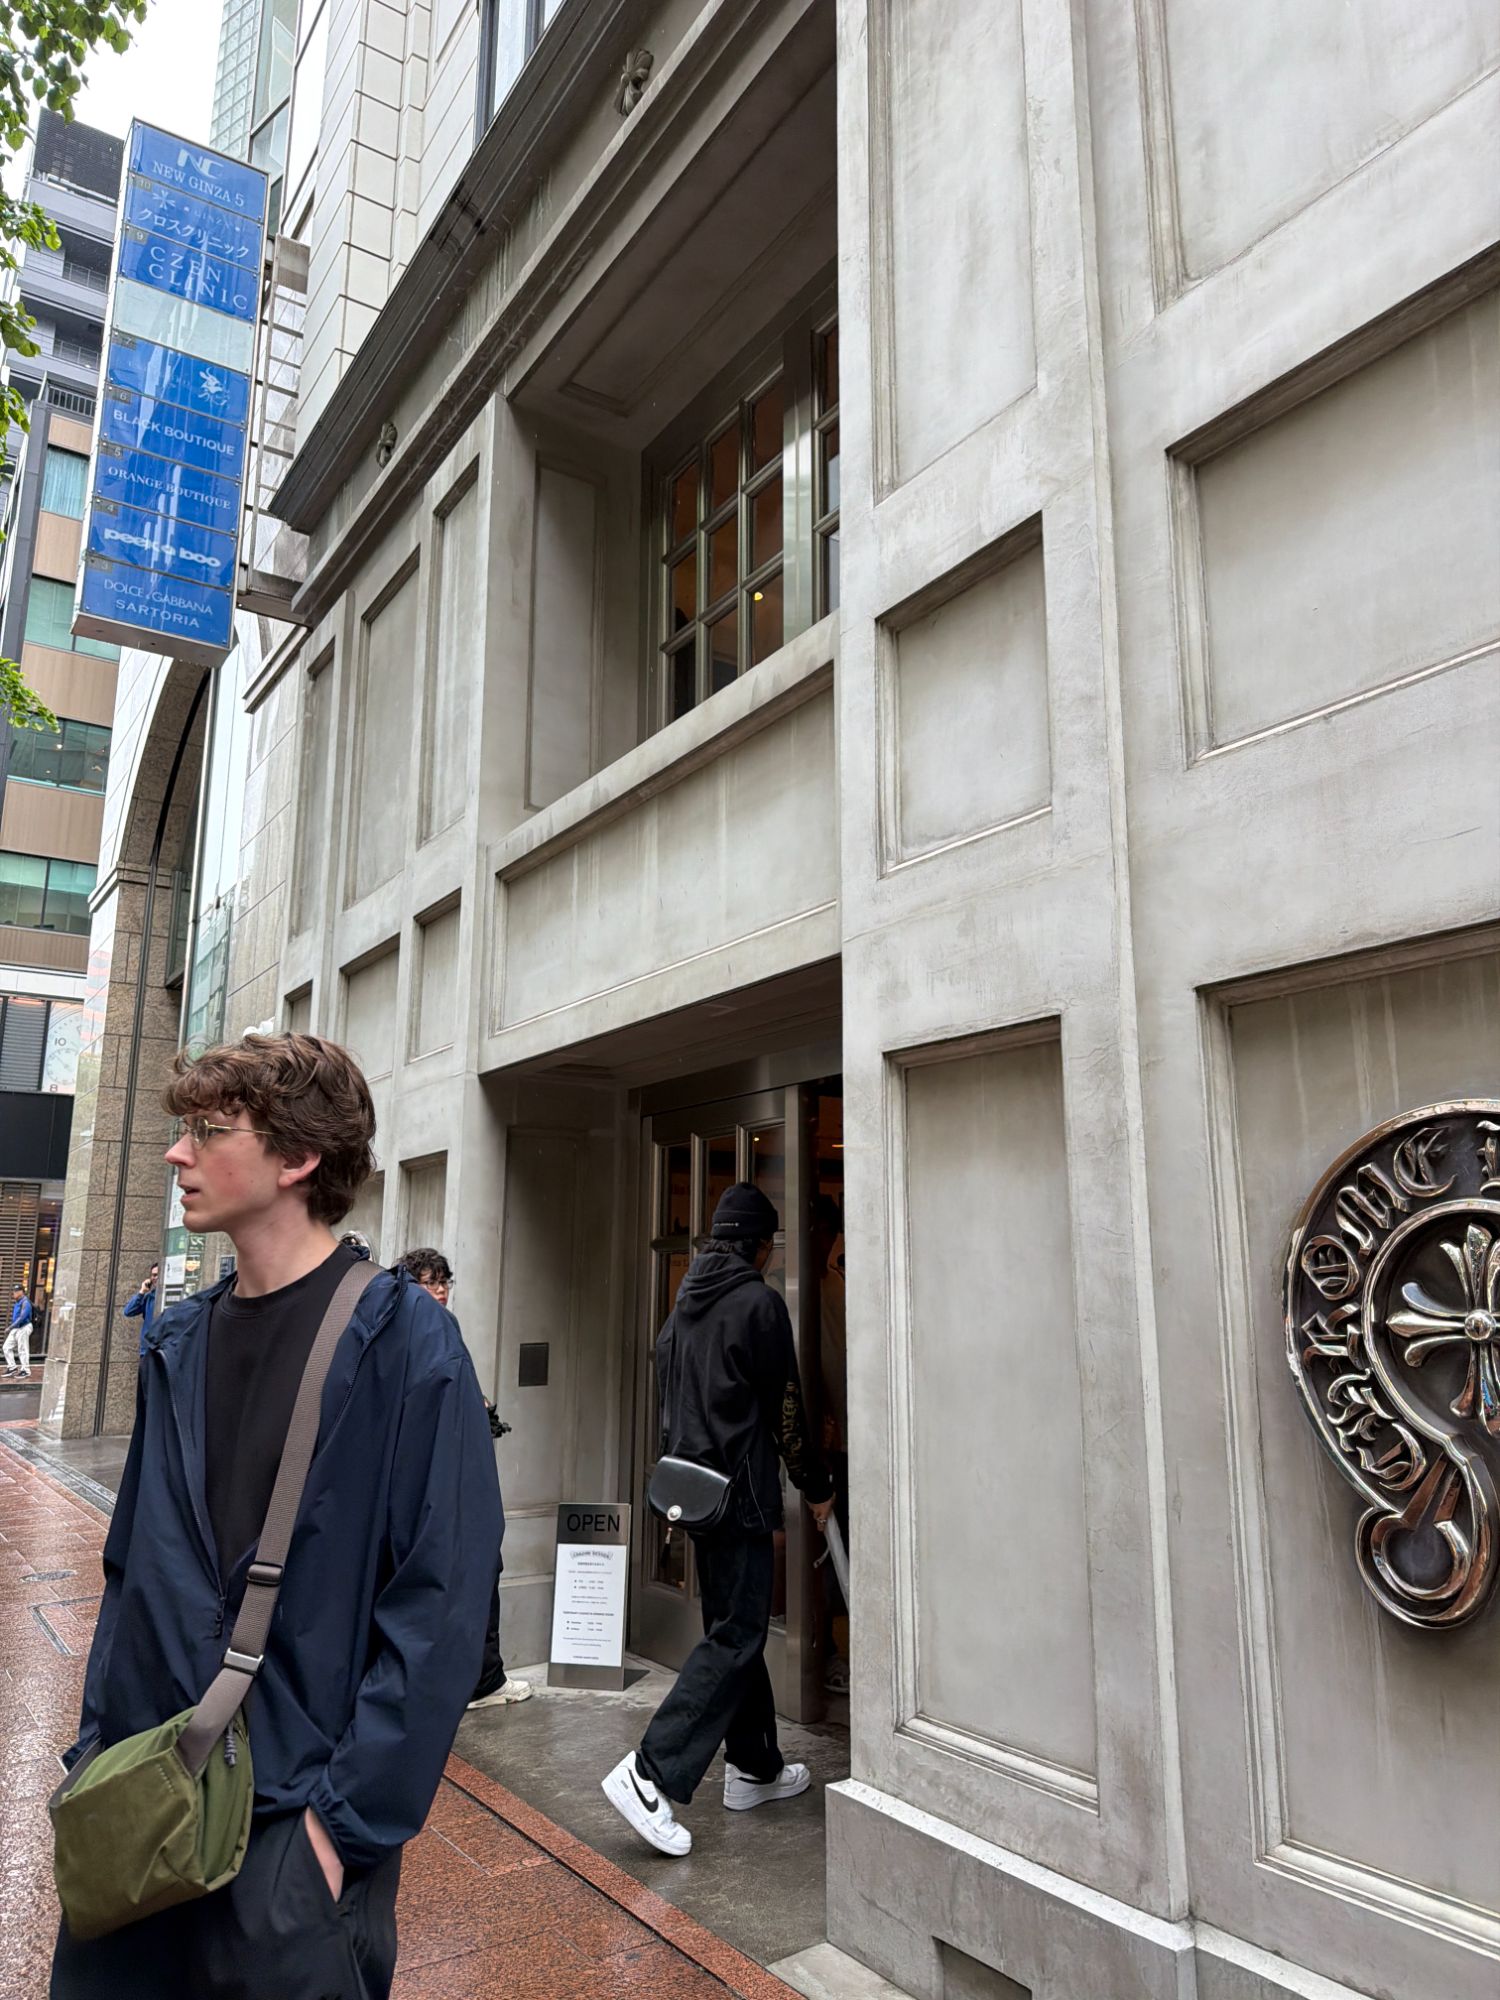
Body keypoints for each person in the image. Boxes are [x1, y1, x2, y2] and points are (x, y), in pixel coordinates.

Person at [52, 1034, 503, 2000]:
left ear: (297, 1159)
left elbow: (442, 1612)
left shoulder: (407, 1345)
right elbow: (131, 1575)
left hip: (291, 1847)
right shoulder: (176, 1339)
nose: (177, 1155)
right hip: (140, 1814)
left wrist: (334, 1840)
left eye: (208, 1132)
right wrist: (92, 1755)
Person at [603, 1182, 835, 1857]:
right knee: (736, 1635)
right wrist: (815, 1486)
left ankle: (754, 1766)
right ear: (759, 1245)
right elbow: (788, 1410)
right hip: (740, 1498)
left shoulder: (682, 1311)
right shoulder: (759, 1306)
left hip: (693, 1495)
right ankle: (651, 1772)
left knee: (735, 1628)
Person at [396, 1247, 532, 1709]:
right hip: (447, 1481)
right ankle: (483, 1680)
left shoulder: (400, 1328)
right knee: (478, 1567)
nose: (438, 1292)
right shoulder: (433, 1328)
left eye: (442, 1282)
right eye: (427, 1282)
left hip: (422, 1482)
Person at [121, 1263, 159, 1358]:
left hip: (166, 1351)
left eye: (159, 1274)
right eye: (154, 1275)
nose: (156, 1278)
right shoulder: (149, 1297)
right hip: (147, 1351)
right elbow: (128, 1311)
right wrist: (142, 1292)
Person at [4, 1283, 34, 1378]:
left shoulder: (26, 1302)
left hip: (24, 1327)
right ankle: (12, 1367)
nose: (14, 1293)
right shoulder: (17, 1302)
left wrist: (10, 1327)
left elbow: (22, 1317)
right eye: (14, 1291)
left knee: (23, 1349)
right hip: (16, 1328)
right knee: (6, 1347)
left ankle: (25, 1370)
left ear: (21, 1292)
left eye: (16, 1291)